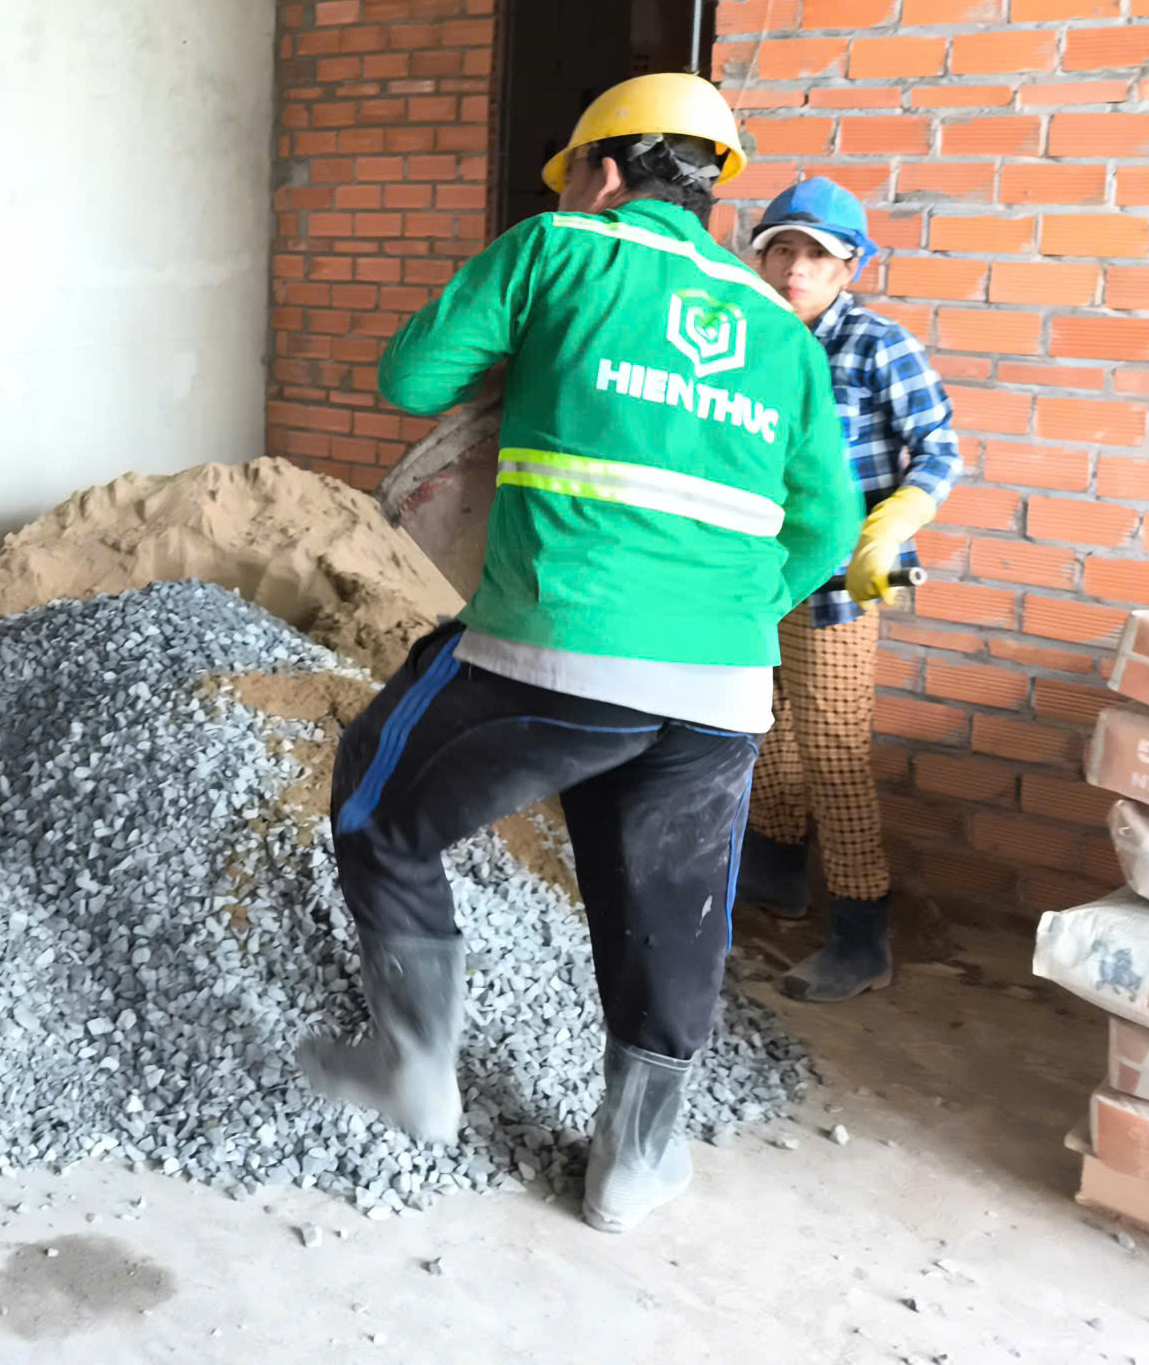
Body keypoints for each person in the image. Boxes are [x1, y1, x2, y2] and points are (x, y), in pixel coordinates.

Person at [297, 72, 861, 1236]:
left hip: (558, 649)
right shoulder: (778, 330)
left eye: (574, 179)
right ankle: (634, 1165)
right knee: (666, 909)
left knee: (377, 802)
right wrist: (733, 607)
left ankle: (412, 1067)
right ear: (711, 194)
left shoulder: (556, 250)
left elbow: (410, 379)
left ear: (602, 173)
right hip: (721, 682)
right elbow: (828, 526)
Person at [735, 177, 960, 1001]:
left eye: (817, 255)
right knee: (758, 726)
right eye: (782, 250)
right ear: (760, 257)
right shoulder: (749, 336)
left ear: (850, 266)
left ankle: (862, 936)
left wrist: (891, 525)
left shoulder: (874, 344)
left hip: (842, 579)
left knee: (832, 751)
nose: (796, 268)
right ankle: (775, 878)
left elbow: (939, 446)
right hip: (759, 570)